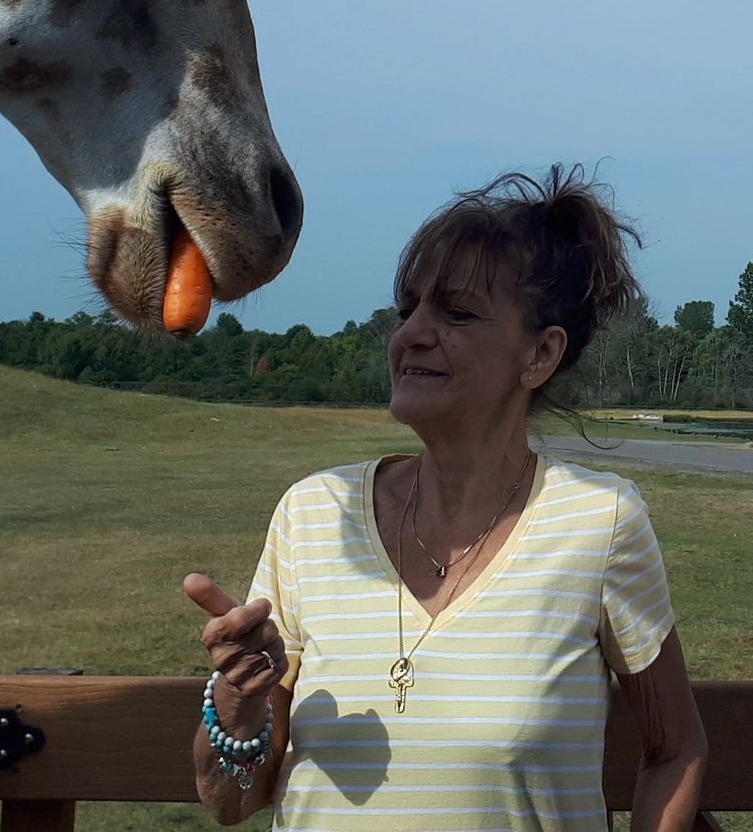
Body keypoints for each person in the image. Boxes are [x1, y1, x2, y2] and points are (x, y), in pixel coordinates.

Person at [184, 167, 708, 830]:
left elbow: (676, 748)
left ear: (541, 355)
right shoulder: (314, 514)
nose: (410, 335)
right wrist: (238, 695)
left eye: (456, 312)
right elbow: (230, 801)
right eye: (409, 310)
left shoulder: (599, 522)